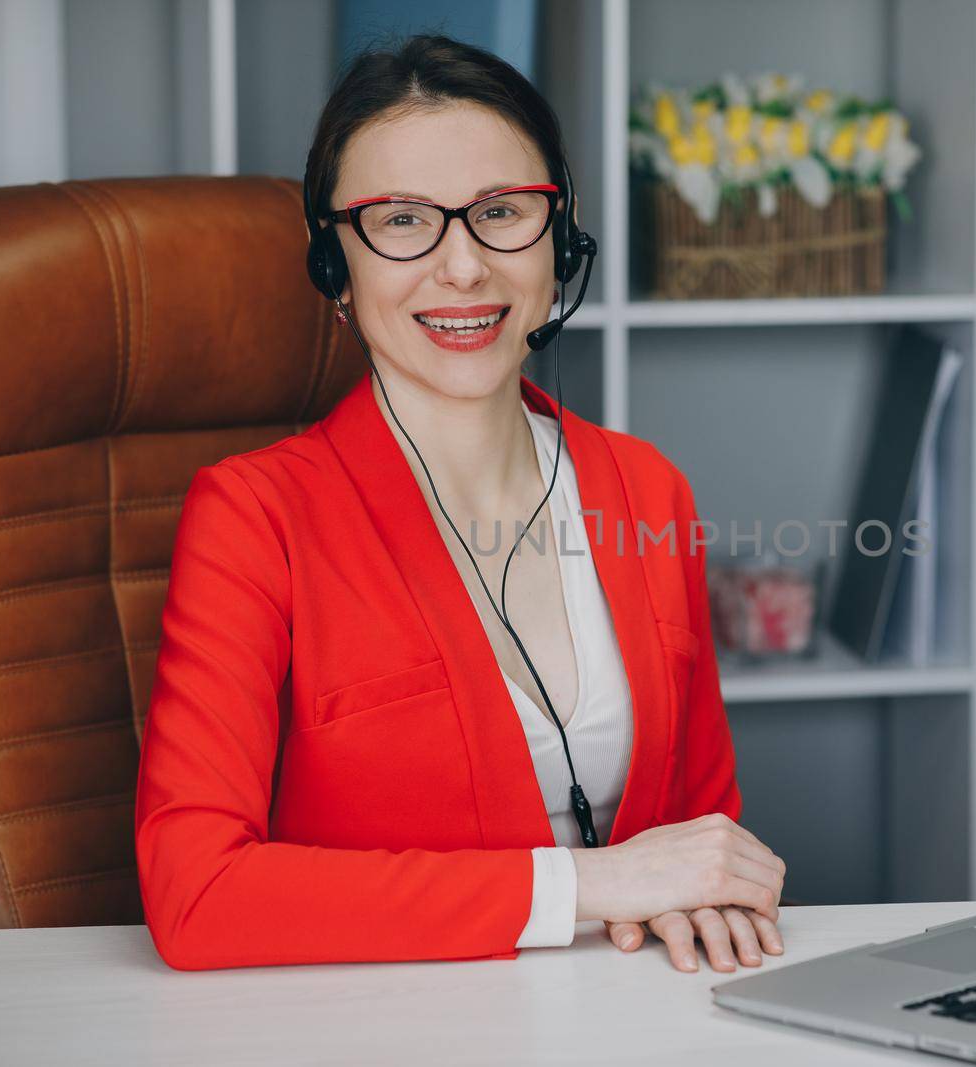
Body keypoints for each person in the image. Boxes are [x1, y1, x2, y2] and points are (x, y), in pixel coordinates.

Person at [134, 33, 787, 974]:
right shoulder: (254, 517)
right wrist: (589, 883)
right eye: (402, 221)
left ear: (559, 243)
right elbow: (197, 895)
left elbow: (702, 837)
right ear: (336, 269)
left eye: (502, 212)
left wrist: (719, 897)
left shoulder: (648, 491)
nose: (465, 267)